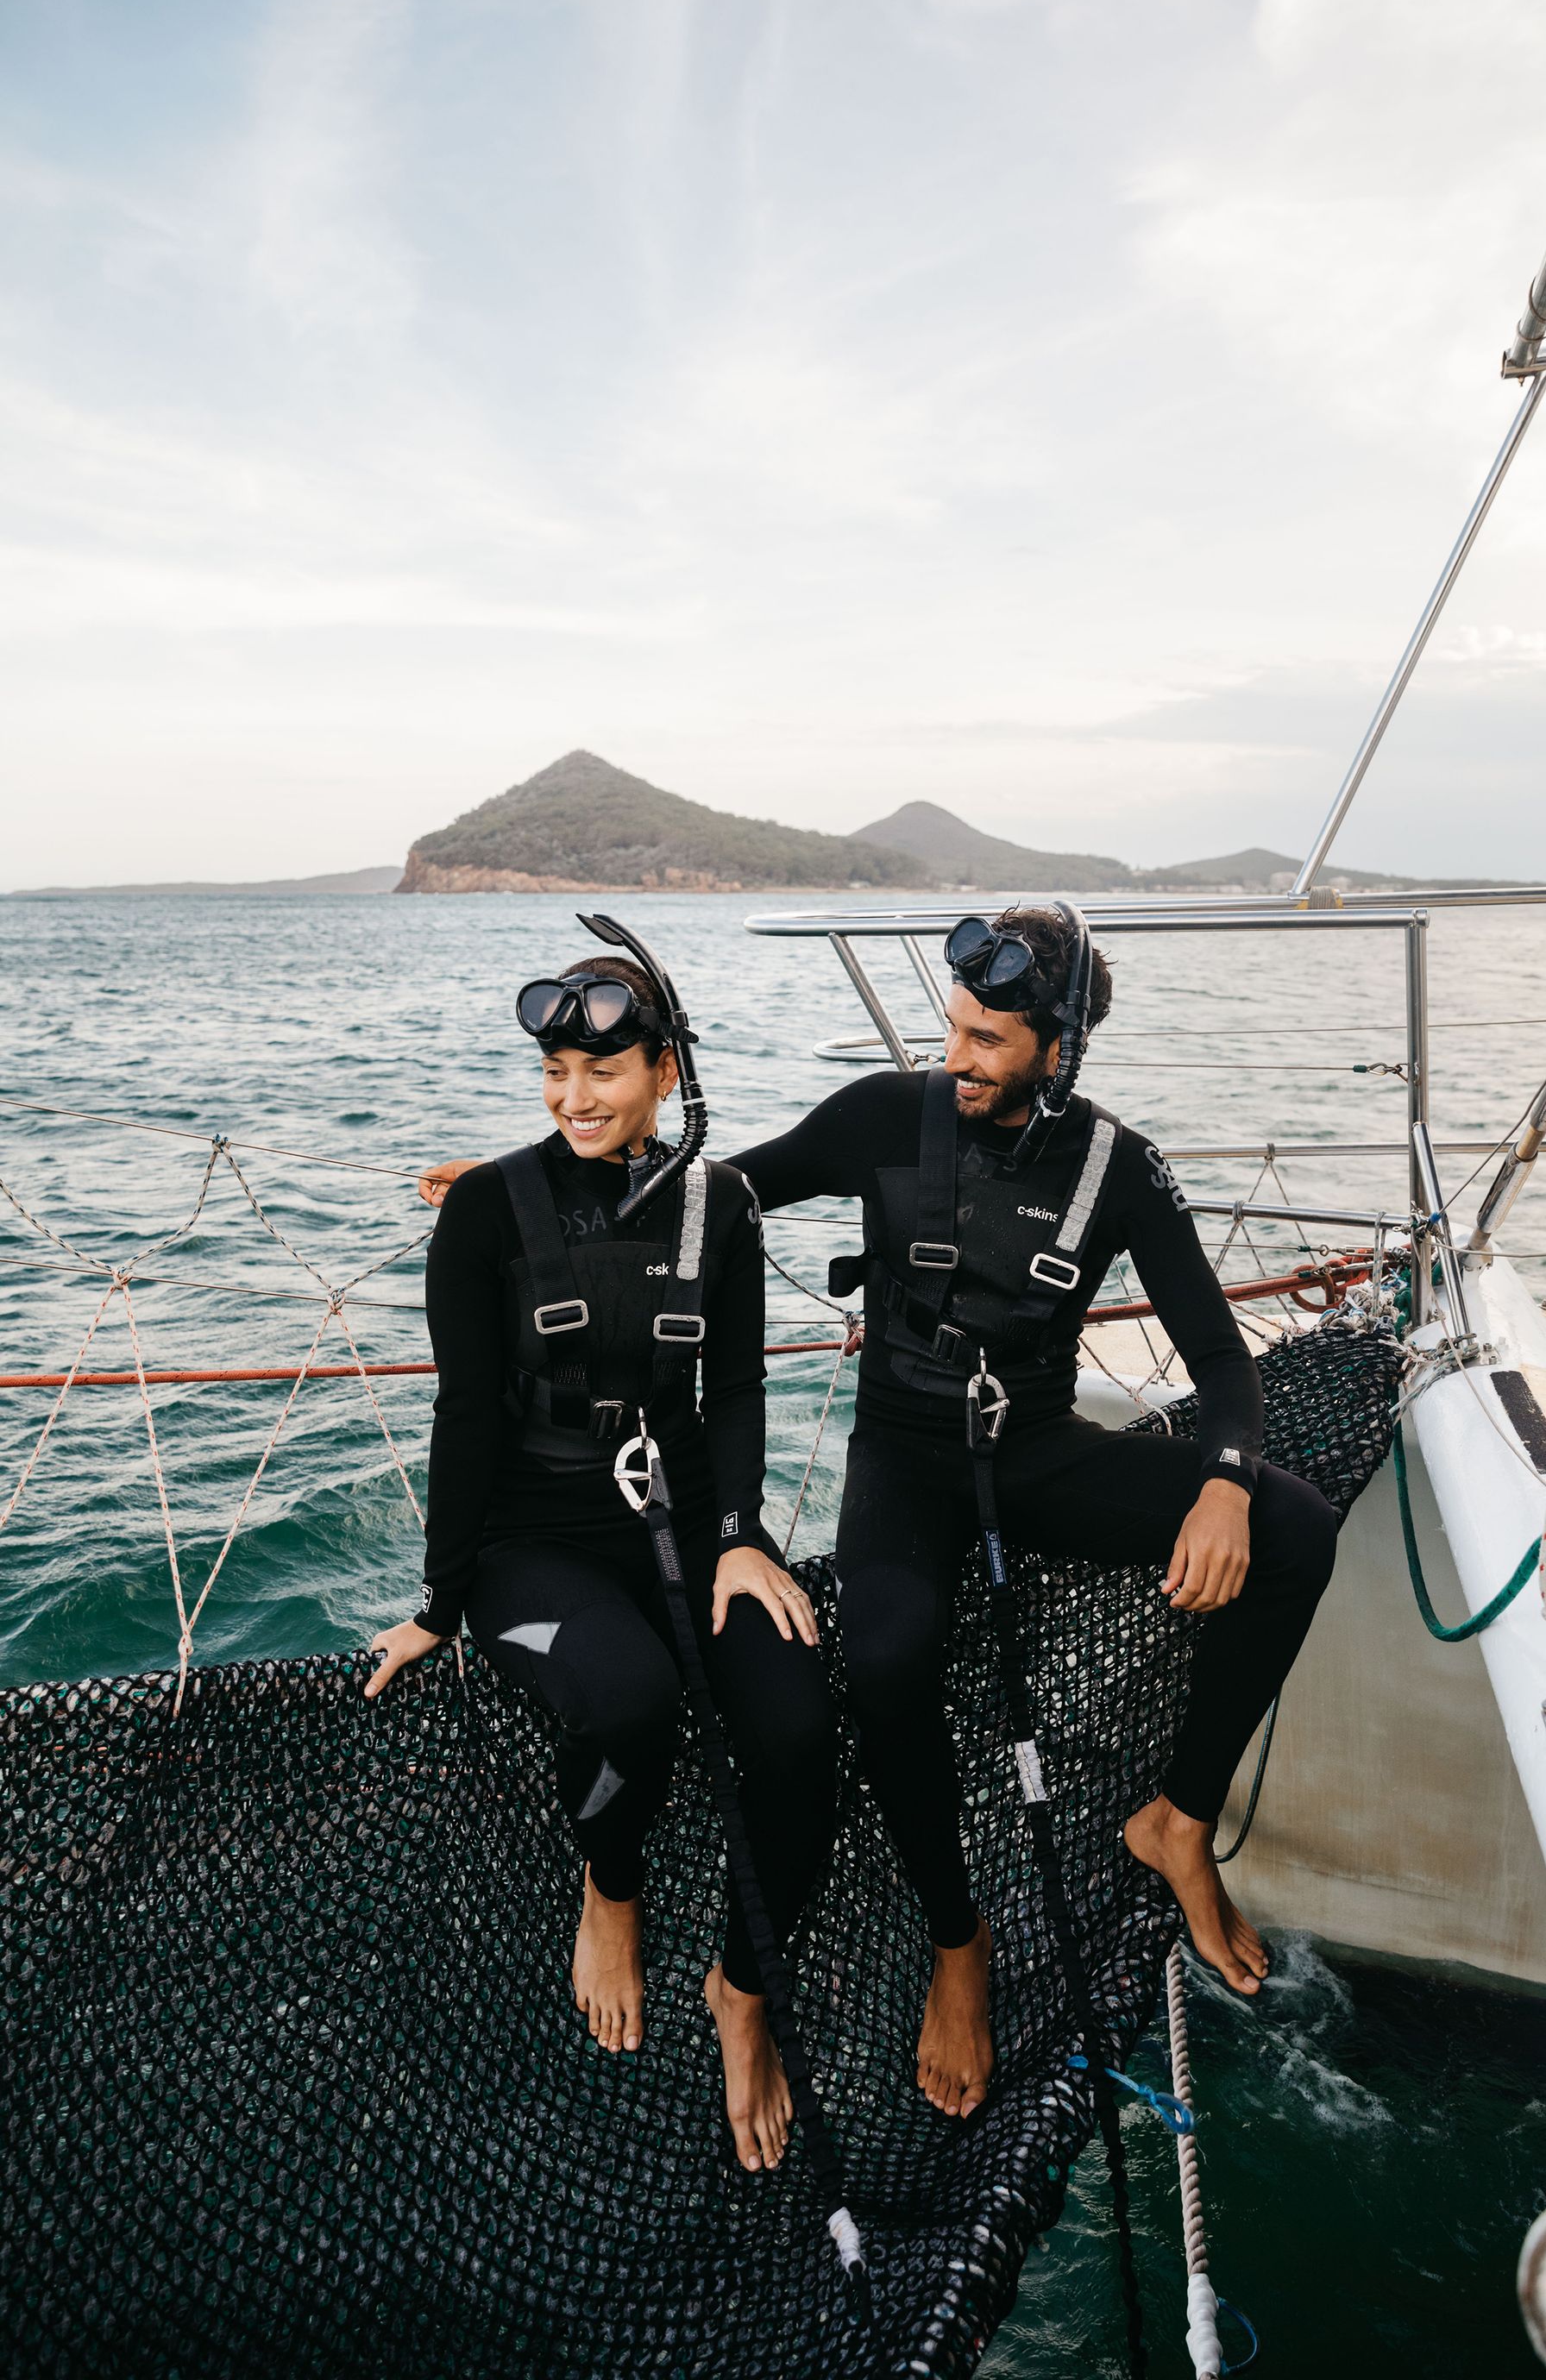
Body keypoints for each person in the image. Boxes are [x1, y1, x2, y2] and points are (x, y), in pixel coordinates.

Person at [420, 902, 1338, 2126]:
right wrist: (523, 1196)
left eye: (988, 1041)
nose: (955, 1058)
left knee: (1295, 1528)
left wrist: (1224, 1479)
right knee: (885, 1659)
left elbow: (1220, 1358)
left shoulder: (1119, 1168)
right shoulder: (884, 1116)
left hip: (1038, 1455)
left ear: (1059, 1050)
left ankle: (1178, 1820)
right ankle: (960, 1945)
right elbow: (713, 1195)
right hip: (904, 1464)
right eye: (951, 1029)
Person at [376, 931, 839, 2176]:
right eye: (555, 1071)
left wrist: (739, 1539)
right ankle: (612, 1892)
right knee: (630, 1697)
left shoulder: (721, 1205)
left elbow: (738, 1389)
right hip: (531, 1539)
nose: (573, 1097)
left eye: (603, 1070)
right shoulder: (488, 1207)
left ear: (665, 1073)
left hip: (687, 1525)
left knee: (802, 1731)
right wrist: (441, 1600)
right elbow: (465, 1414)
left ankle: (743, 1991)